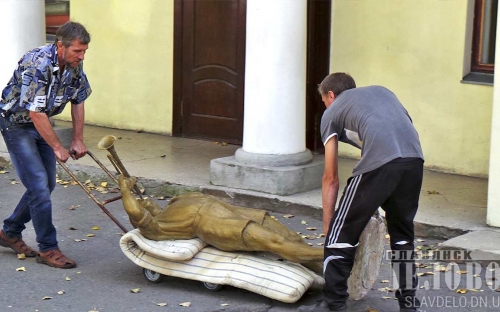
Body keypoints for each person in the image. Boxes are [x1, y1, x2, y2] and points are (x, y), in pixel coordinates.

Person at [298, 73, 424, 312]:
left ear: (331, 95)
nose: (325, 105)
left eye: (324, 100)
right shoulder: (382, 92)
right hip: (414, 161)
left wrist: (329, 227)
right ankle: (409, 306)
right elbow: (390, 132)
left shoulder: (332, 112)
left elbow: (330, 177)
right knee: (402, 237)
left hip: (380, 165)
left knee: (339, 237)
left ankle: (333, 305)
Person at [0, 22, 92, 269]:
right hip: (17, 124)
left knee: (46, 184)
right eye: (77, 51)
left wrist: (77, 139)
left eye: (84, 51)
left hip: (40, 121)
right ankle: (48, 248)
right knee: (39, 185)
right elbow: (35, 113)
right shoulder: (37, 62)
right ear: (60, 46)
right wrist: (56, 147)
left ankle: (10, 232)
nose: (82, 56)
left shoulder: (73, 63)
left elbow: (79, 99)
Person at [118, 175, 323, 269]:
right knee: (276, 242)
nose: (142, 202)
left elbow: (140, 207)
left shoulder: (171, 208)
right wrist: (124, 188)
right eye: (139, 204)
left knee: (291, 237)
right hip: (213, 225)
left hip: (229, 210)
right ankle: (338, 252)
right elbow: (134, 212)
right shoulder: (156, 228)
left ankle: (330, 275)